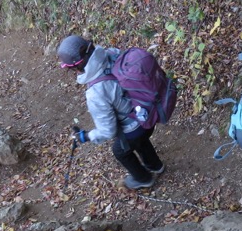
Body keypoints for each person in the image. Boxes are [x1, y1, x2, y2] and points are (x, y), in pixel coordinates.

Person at [57, 35, 165, 190]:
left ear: (76, 67)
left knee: (121, 151)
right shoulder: (112, 53)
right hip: (149, 112)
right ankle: (155, 165)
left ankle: (143, 179)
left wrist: (86, 136)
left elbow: (108, 131)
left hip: (136, 126)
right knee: (139, 139)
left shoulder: (96, 92)